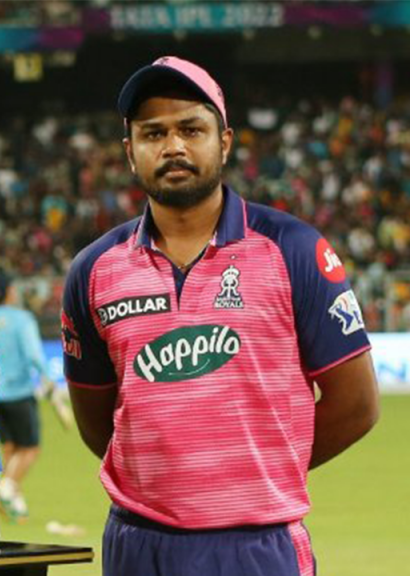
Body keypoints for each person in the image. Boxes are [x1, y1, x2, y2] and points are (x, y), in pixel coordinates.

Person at [62, 56, 380, 576]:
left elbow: (358, 404)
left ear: (224, 142)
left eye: (192, 129)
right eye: (153, 133)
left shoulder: (294, 249)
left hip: (257, 545)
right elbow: (96, 420)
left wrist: (259, 472)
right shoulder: (94, 269)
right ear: (130, 152)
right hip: (138, 544)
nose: (173, 146)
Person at [0, 271, 52, 522]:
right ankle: (5, 489)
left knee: (9, 449)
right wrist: (47, 378)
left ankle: (13, 506)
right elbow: (33, 354)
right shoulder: (21, 319)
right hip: (19, 393)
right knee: (30, 448)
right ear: (10, 291)